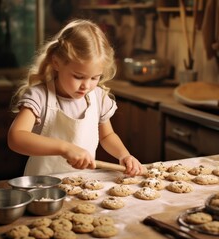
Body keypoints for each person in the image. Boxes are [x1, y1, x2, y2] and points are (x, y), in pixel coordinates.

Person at [8, 19, 144, 176]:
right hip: (42, 186)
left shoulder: (97, 97)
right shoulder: (40, 96)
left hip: (82, 185)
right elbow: (16, 137)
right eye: (78, 76)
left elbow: (107, 136)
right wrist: (65, 148)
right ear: (57, 63)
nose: (86, 86)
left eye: (95, 78)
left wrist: (124, 155)